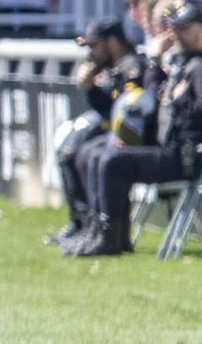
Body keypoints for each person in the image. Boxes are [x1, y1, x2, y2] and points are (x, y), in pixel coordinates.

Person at [71, 0, 202, 257]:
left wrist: (179, 101)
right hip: (170, 149)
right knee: (99, 154)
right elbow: (154, 100)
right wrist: (156, 63)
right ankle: (103, 233)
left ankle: (110, 238)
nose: (174, 34)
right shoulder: (186, 64)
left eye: (182, 28)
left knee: (113, 162)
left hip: (187, 156)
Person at [48, 18, 145, 246]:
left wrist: (92, 88)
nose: (91, 53)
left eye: (94, 46)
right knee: (72, 150)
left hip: (131, 139)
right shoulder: (114, 67)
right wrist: (91, 88)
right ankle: (82, 223)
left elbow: (122, 113)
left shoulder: (131, 66)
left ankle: (90, 226)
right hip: (116, 135)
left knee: (80, 153)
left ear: (112, 42)